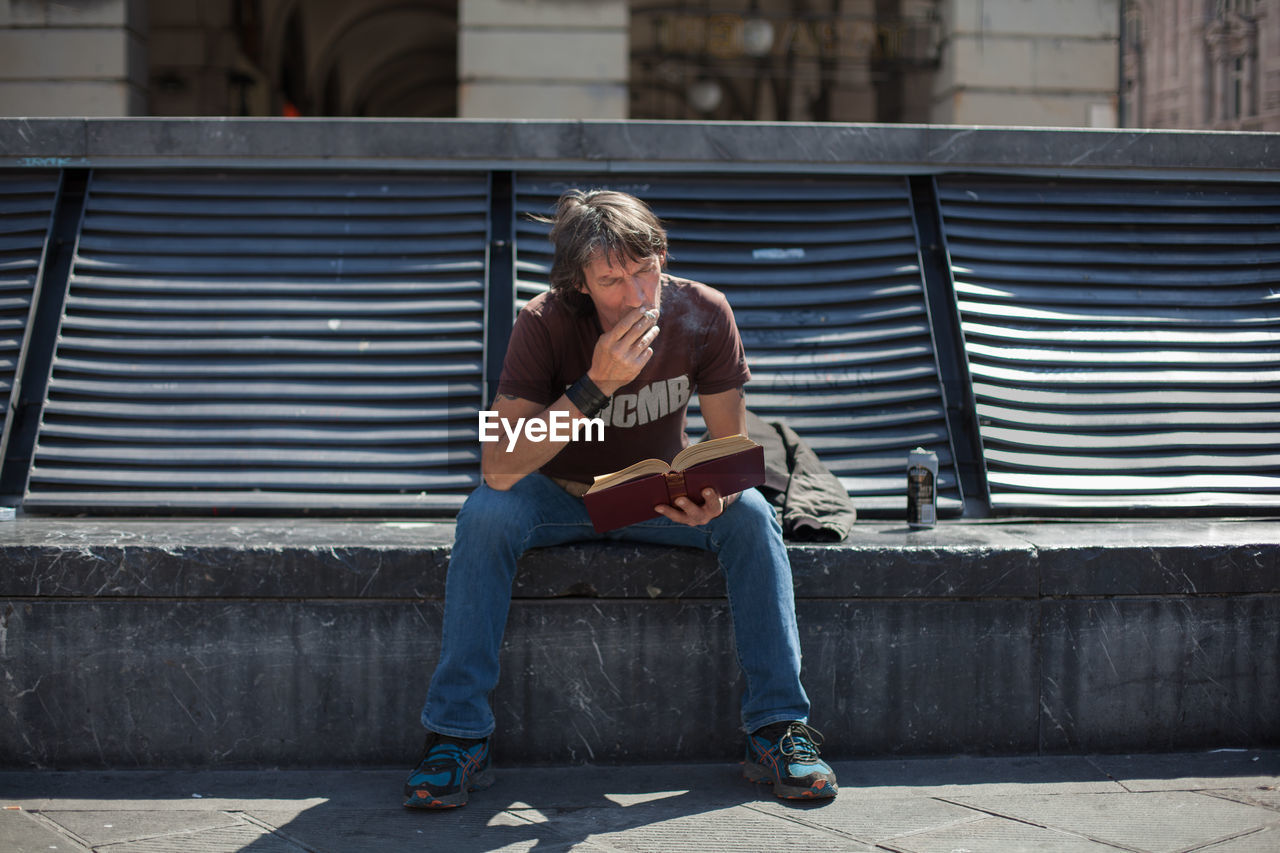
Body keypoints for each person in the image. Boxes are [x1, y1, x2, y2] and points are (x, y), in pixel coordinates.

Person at [403, 189, 837, 809]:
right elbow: (497, 465)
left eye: (644, 269)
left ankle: (777, 729)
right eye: (612, 280)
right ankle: (456, 737)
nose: (635, 295)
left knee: (753, 516)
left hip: (656, 496)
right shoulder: (542, 320)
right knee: (484, 513)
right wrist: (594, 386)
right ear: (580, 281)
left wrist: (716, 497)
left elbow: (730, 449)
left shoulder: (706, 312)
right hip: (555, 496)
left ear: (662, 255)